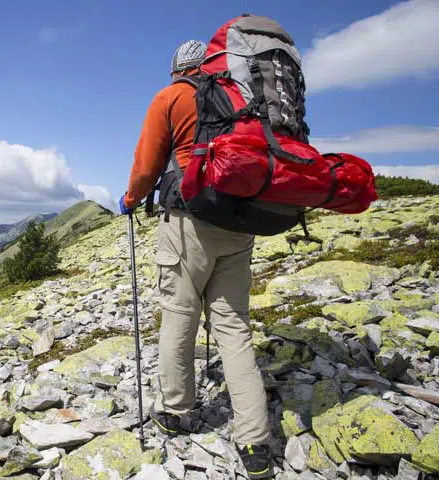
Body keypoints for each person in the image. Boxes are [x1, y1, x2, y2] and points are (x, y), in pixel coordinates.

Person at [118, 40, 274, 480]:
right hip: (240, 223)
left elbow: (147, 165)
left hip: (188, 223)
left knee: (180, 315)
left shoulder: (172, 97)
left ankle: (174, 409)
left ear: (177, 69)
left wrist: (131, 199)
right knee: (234, 328)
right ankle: (255, 441)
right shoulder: (243, 98)